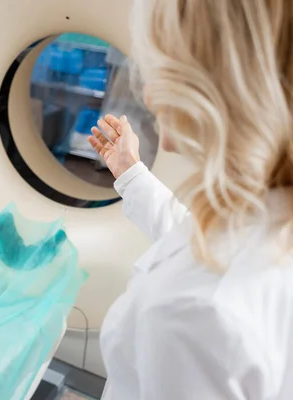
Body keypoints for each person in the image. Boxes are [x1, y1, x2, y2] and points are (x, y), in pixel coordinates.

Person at [89, 0, 293, 399]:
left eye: (162, 68)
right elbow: (205, 238)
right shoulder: (269, 208)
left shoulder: (192, 311)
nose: (147, 96)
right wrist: (130, 172)